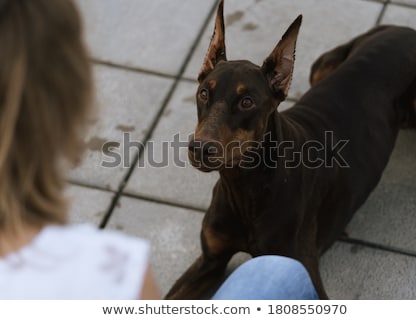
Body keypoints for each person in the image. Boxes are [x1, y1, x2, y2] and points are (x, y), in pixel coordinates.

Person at [0, 0, 317, 300]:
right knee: (281, 274)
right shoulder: (113, 267)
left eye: (245, 103)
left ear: (281, 82)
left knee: (323, 69)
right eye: (205, 95)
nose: (202, 139)